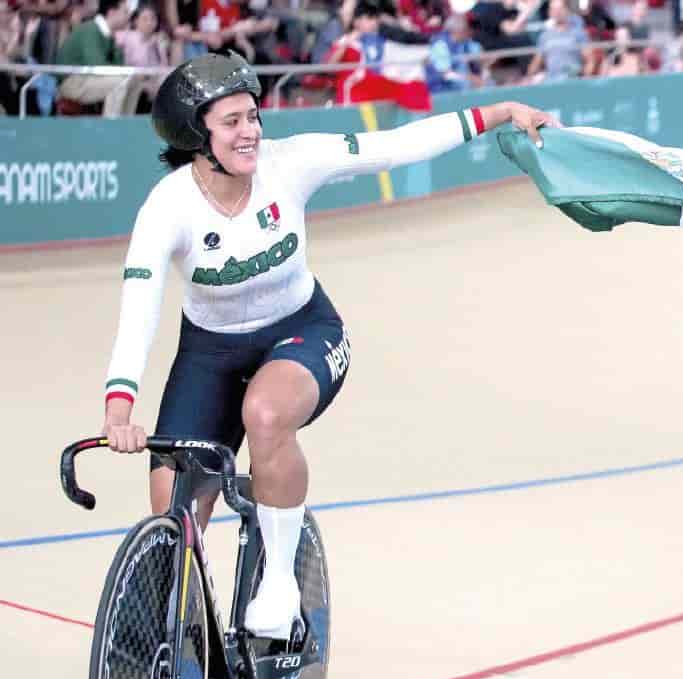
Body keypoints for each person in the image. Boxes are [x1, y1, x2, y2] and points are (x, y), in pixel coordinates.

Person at [100, 53, 559, 639]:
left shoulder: (290, 164)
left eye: (253, 116)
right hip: (209, 353)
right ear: (197, 135)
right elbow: (139, 309)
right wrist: (119, 408)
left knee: (264, 414)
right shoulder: (167, 206)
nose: (251, 132)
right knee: (173, 517)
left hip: (302, 330)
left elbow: (395, 147)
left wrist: (501, 111)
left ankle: (279, 583)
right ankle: (185, 645)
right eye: (233, 122)